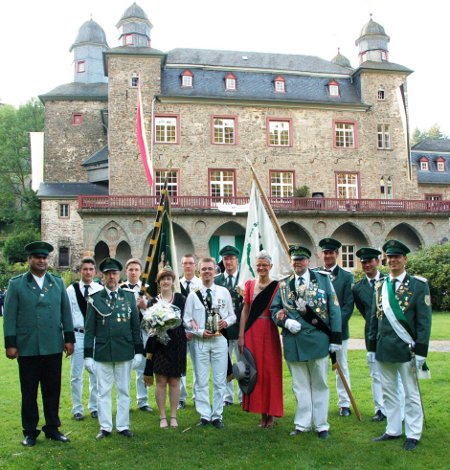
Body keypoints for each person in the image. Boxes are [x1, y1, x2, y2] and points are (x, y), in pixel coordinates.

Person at [3, 241, 75, 446]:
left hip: (52, 345)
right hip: (28, 347)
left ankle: (52, 428)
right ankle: (30, 431)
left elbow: (65, 313)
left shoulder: (57, 282)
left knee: (52, 390)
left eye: (44, 258)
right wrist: (11, 343)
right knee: (29, 392)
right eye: (37, 257)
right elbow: (9, 317)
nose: (41, 261)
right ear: (29, 260)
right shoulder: (16, 284)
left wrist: (69, 339)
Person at [271, 245, 341, 438]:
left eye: (301, 259)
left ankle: (321, 425)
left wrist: (335, 338)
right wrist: (285, 321)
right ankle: (302, 424)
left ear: (309, 261)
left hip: (318, 339)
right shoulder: (284, 284)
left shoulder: (323, 280)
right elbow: (274, 310)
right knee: (300, 385)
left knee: (320, 384)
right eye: (294, 260)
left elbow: (334, 309)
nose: (297, 263)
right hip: (294, 341)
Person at [368, 240, 432, 451]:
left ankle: (413, 433)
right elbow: (373, 319)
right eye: (390, 257)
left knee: (411, 393)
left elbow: (424, 322)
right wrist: (371, 347)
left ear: (405, 259)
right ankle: (393, 429)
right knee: (388, 392)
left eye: (397, 257)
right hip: (384, 348)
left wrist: (421, 351)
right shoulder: (380, 285)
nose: (393, 260)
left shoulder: (418, 285)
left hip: (407, 349)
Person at [84, 257, 144, 440]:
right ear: (102, 276)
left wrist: (139, 351)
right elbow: (89, 329)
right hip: (103, 352)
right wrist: (88, 355)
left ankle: (123, 425)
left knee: (124, 390)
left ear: (119, 275)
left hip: (124, 351)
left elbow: (135, 326)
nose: (112, 276)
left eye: (115, 273)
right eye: (108, 273)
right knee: (103, 391)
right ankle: (105, 427)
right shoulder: (95, 299)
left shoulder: (128, 297)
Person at [183, 257, 236, 428]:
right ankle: (204, 414)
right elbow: (186, 320)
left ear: (215, 271)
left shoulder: (223, 292)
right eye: (204, 269)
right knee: (201, 379)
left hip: (220, 340)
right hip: (201, 341)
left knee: (220, 379)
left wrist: (225, 323)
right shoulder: (193, 295)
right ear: (199, 272)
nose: (207, 271)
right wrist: (198, 331)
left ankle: (217, 415)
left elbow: (232, 315)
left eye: (210, 269)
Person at [238, 250, 283, 428]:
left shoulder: (277, 286)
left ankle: (270, 414)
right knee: (254, 372)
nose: (261, 268)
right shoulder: (249, 284)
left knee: (269, 372)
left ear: (270, 266)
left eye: (265, 265)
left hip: (270, 331)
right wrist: (241, 335)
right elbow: (245, 310)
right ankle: (260, 413)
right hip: (252, 332)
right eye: (259, 265)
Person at [143, 268, 186, 429]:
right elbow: (148, 325)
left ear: (173, 281)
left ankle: (173, 416)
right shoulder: (153, 301)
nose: (166, 282)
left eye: (168, 279)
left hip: (177, 343)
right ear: (159, 282)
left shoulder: (181, 299)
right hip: (159, 345)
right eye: (163, 279)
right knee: (161, 380)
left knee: (175, 380)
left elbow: (186, 319)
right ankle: (162, 416)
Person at [315, 237, 354, 417]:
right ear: (321, 254)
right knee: (320, 367)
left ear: (336, 254)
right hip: (319, 332)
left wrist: (335, 327)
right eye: (325, 252)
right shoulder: (314, 274)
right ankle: (318, 402)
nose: (327, 255)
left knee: (341, 366)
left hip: (339, 332)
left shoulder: (346, 277)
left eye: (331, 252)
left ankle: (344, 404)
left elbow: (347, 306)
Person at [66, 257, 103, 421]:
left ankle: (94, 406)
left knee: (96, 373)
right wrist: (67, 339)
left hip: (95, 335)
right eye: (85, 269)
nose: (87, 272)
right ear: (80, 271)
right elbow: (65, 316)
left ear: (95, 272)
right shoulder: (71, 290)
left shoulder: (100, 289)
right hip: (78, 335)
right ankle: (77, 408)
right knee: (76, 374)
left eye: (90, 269)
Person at [352, 247, 386, 422]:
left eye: (370, 261)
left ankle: (398, 408)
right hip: (371, 334)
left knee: (394, 374)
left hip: (391, 334)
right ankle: (380, 408)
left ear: (377, 262)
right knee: (375, 373)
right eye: (364, 262)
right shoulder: (358, 288)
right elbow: (366, 312)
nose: (367, 265)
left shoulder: (389, 281)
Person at [120, 258, 154, 413]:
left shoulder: (148, 289)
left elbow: (155, 314)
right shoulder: (120, 289)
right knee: (125, 368)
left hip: (144, 332)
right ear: (126, 271)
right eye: (130, 269)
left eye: (136, 270)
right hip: (126, 333)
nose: (133, 272)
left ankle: (142, 401)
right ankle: (124, 401)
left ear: (140, 272)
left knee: (141, 367)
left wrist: (144, 307)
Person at [214, 245, 244, 407]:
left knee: (241, 364)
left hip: (240, 328)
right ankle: (227, 397)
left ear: (237, 260)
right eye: (226, 258)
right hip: (223, 329)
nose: (229, 262)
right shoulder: (217, 280)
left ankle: (242, 395)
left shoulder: (244, 278)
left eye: (232, 258)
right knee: (223, 363)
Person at [178, 253, 202, 410]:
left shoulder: (200, 284)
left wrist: (195, 329)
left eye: (191, 263)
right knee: (180, 366)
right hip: (179, 331)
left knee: (198, 365)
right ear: (182, 265)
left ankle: (198, 396)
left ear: (195, 266)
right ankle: (181, 397)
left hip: (196, 331)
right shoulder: (176, 284)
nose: (188, 266)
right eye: (185, 263)